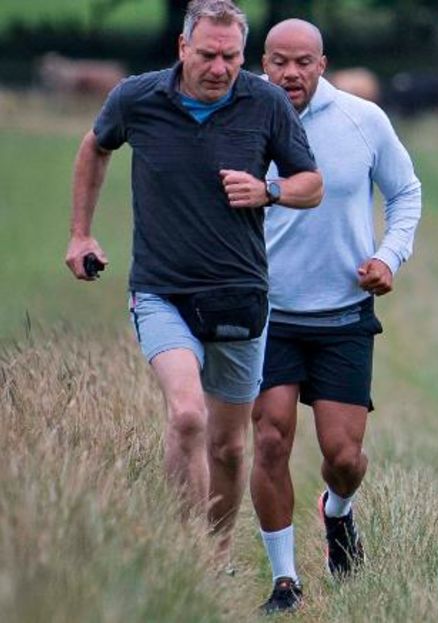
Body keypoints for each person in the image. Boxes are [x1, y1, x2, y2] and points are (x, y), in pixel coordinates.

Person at [64, 0, 322, 568]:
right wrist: (81, 235)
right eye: (207, 54)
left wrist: (269, 191)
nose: (220, 67)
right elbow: (95, 147)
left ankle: (218, 553)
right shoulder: (137, 98)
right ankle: (184, 558)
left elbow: (312, 183)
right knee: (186, 415)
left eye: (231, 56)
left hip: (239, 296)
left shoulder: (267, 103)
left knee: (230, 448)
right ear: (183, 48)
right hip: (161, 290)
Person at [251, 19, 422, 614]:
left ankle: (337, 513)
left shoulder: (363, 119)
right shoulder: (242, 118)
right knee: (270, 436)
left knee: (344, 458)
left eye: (303, 62)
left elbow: (406, 193)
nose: (290, 73)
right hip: (267, 312)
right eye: (278, 62)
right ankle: (284, 580)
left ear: (322, 64)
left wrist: (387, 256)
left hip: (344, 313)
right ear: (262, 63)